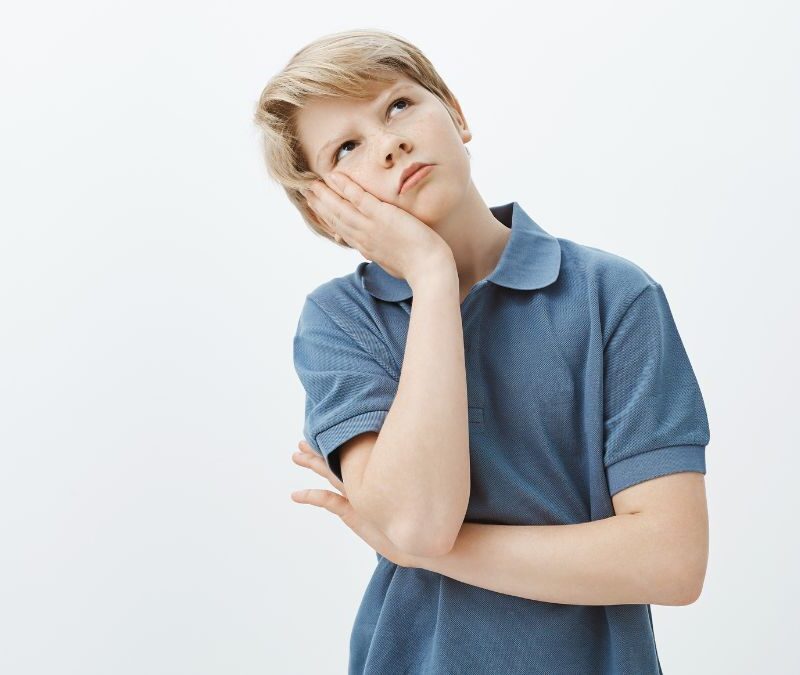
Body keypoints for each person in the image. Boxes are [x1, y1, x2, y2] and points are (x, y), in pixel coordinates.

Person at [253, 28, 711, 675]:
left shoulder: (614, 295)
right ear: (323, 210)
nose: (390, 144)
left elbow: (672, 560)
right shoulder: (339, 320)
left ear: (457, 114)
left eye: (398, 106)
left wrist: (428, 552)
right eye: (347, 147)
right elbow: (419, 520)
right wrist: (431, 274)